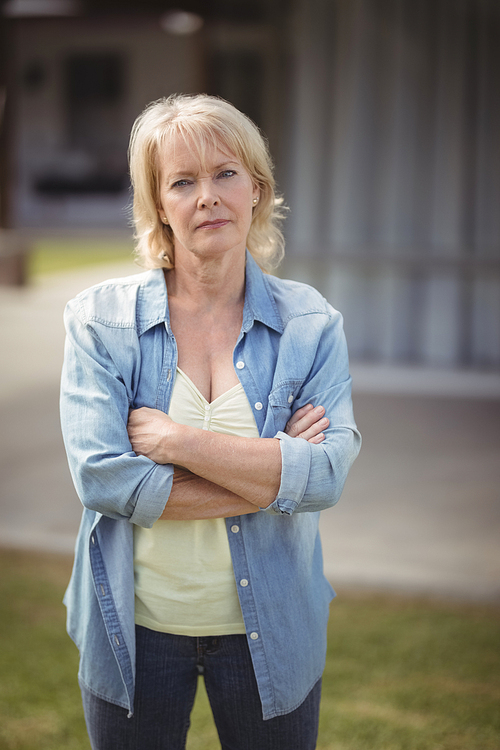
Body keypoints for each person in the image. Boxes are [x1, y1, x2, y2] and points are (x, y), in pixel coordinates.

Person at [60, 93, 361, 750]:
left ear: (257, 188)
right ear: (158, 206)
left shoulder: (309, 324)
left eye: (225, 174)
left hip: (273, 632)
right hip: (133, 631)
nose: (208, 197)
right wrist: (275, 474)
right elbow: (103, 479)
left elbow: (328, 475)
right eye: (183, 182)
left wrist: (176, 442)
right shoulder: (99, 322)